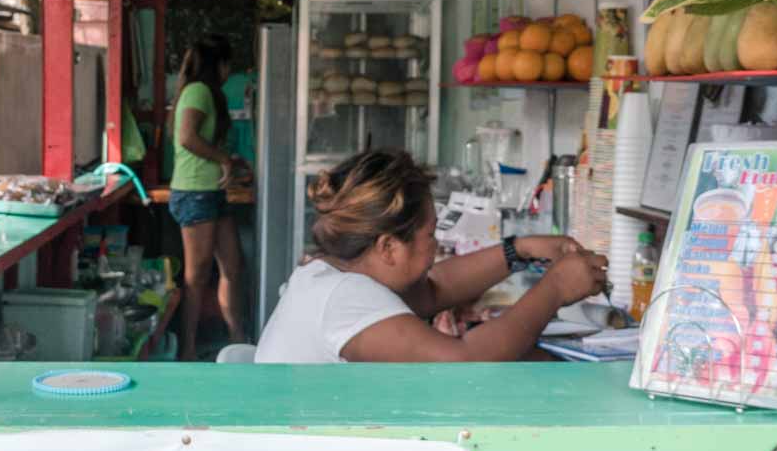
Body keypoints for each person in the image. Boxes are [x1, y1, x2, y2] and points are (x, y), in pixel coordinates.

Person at [257, 148, 607, 364]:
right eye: (430, 234)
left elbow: (433, 290)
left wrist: (521, 249)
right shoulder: (345, 298)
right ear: (388, 247)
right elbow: (462, 364)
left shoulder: (330, 273)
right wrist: (556, 288)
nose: (437, 245)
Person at [169, 38, 249, 360]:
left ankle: (237, 341)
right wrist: (224, 160)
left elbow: (200, 143)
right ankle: (187, 350)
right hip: (194, 193)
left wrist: (229, 160)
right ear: (218, 65)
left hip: (211, 192)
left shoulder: (203, 93)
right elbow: (188, 137)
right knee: (196, 276)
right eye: (228, 65)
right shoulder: (199, 91)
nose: (229, 72)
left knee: (233, 266)